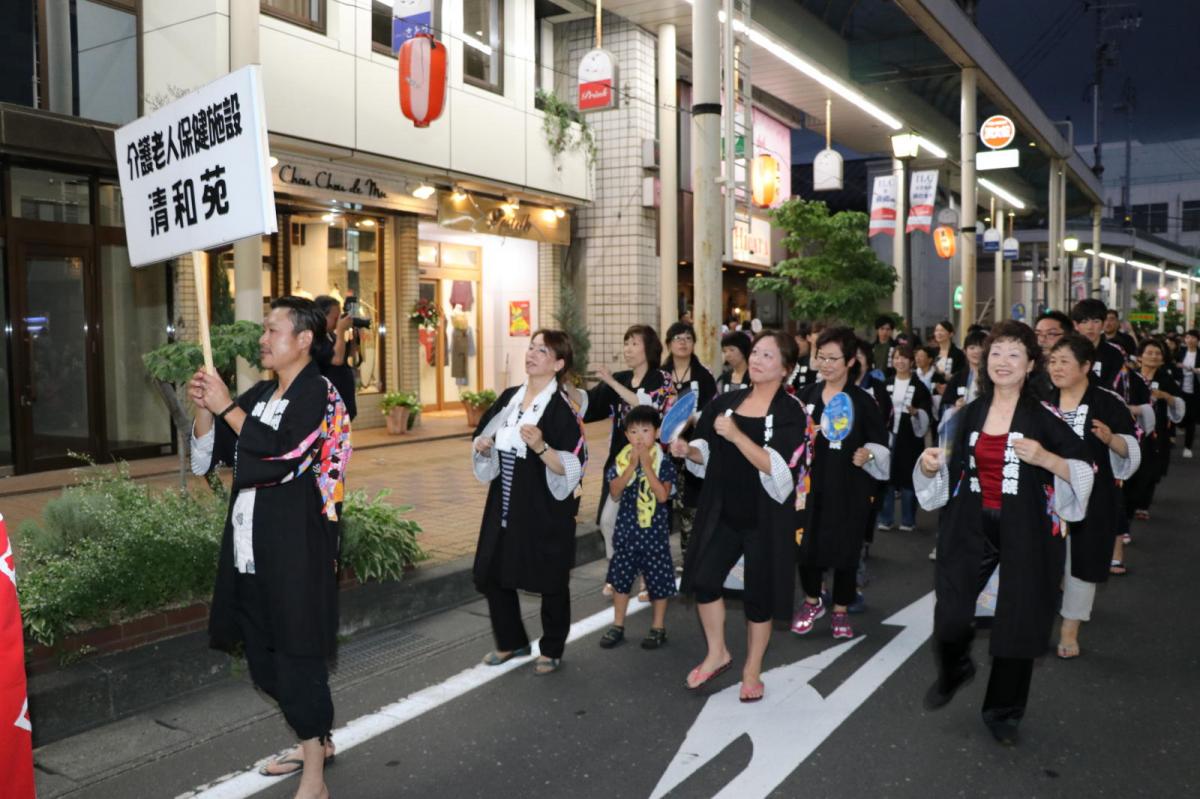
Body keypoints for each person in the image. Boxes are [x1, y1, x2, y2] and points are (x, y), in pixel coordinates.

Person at [190, 297, 351, 799]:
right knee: (263, 656)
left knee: (298, 655)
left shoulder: (322, 396)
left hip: (297, 546)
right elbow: (210, 458)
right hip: (250, 542)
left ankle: (315, 776)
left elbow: (282, 452)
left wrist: (227, 408)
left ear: (304, 339)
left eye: (273, 330)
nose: (264, 338)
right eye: (264, 329)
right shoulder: (260, 393)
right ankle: (314, 740)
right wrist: (204, 408)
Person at [915, 320, 1093, 746]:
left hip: (1028, 527)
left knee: (1021, 618)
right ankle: (955, 665)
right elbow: (944, 464)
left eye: (1014, 354)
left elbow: (1086, 470)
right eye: (996, 352)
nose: (1002, 361)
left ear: (1032, 364)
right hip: (970, 522)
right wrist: (928, 465)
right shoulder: (967, 414)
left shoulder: (1045, 417)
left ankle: (1003, 711)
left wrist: (1047, 458)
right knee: (952, 607)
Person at [673, 331, 808, 702]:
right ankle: (718, 652)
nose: (758, 360)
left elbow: (780, 470)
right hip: (724, 510)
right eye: (756, 353)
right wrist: (689, 452)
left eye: (768, 355)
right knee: (703, 579)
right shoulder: (727, 401)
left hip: (766, 517)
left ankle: (752, 670)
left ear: (786, 370)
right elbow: (707, 449)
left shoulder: (790, 412)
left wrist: (736, 435)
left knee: (758, 598)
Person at [472, 330, 587, 676]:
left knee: (550, 577)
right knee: (490, 571)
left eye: (543, 350)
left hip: (543, 507)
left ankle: (552, 646)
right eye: (531, 347)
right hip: (505, 500)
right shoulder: (510, 397)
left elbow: (573, 466)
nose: (532, 354)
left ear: (559, 363)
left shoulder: (561, 409)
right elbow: (485, 433)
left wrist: (540, 447)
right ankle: (513, 641)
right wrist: (483, 445)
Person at [791, 327, 890, 639]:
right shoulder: (805, 396)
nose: (826, 364)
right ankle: (812, 601)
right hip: (809, 488)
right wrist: (806, 437)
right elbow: (788, 443)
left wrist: (868, 455)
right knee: (805, 547)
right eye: (821, 357)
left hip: (850, 488)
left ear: (850, 361)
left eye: (833, 358)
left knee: (847, 551)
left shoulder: (862, 402)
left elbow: (880, 444)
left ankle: (841, 610)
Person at [1046, 334, 1140, 658]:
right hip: (1043, 496)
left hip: (1093, 496)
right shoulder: (1039, 399)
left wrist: (1112, 439)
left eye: (1064, 362)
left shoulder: (1106, 402)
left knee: (1081, 564)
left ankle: (1070, 629)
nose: (1056, 368)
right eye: (1052, 361)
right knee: (1038, 558)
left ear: (1086, 366)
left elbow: (1132, 448)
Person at [598, 406, 677, 650]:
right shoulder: (621, 460)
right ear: (627, 435)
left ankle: (658, 627)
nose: (640, 436)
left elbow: (663, 496)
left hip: (654, 534)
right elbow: (614, 492)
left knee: (658, 582)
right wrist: (633, 466)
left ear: (656, 432)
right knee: (621, 581)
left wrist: (648, 467)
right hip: (626, 532)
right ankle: (618, 625)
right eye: (634, 431)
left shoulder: (664, 462)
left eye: (645, 430)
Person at [584, 325, 670, 531]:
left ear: (648, 348)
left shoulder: (660, 378)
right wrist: (566, 383)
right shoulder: (621, 378)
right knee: (608, 522)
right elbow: (591, 403)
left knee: (643, 524)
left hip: (648, 463)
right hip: (619, 459)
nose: (627, 349)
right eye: (625, 344)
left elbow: (646, 406)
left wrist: (611, 383)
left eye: (634, 344)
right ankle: (616, 560)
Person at [663, 321, 718, 556]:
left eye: (688, 338)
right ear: (668, 344)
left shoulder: (703, 375)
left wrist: (692, 419)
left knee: (691, 507)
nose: (683, 342)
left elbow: (710, 411)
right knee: (661, 504)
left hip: (692, 450)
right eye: (677, 338)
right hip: (664, 450)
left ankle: (691, 560)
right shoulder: (660, 375)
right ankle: (658, 564)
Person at [1123, 338, 1184, 524]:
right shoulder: (1129, 378)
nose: (1153, 356)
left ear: (1163, 359)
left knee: (1152, 470)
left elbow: (1179, 404)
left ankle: (1143, 504)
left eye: (1157, 353)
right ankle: (1128, 508)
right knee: (1133, 469)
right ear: (1140, 357)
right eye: (1149, 353)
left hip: (1158, 431)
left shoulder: (1166, 379)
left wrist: (1165, 396)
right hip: (1131, 430)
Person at [877, 344, 933, 532]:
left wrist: (917, 412)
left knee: (909, 479)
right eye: (896, 358)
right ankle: (886, 518)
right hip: (888, 437)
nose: (899, 361)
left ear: (911, 362)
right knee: (886, 478)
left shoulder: (919, 386)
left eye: (904, 358)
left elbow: (927, 412)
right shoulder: (886, 383)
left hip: (909, 439)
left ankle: (908, 520)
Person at [1071, 299, 1128, 399]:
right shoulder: (1067, 352)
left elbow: (1119, 388)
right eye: (1084, 321)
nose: (1090, 327)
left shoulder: (1115, 353)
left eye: (1096, 321)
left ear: (1103, 324)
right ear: (1076, 325)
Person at [313, 295, 358, 420]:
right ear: (322, 316)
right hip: (329, 405)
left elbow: (347, 356)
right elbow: (336, 360)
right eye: (335, 317)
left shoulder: (331, 335)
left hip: (342, 403)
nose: (339, 320)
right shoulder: (315, 338)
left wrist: (353, 337)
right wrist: (341, 330)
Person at [1031, 311, 1073, 400]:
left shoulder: (1077, 370)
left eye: (1050, 334)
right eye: (1038, 334)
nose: (1042, 340)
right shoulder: (1030, 368)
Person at [1177, 329, 1200, 457]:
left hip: (1195, 392)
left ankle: (1188, 447)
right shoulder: (1181, 352)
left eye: (1193, 337)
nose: (1190, 340)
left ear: (1197, 340)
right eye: (1187, 337)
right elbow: (1174, 366)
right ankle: (1181, 425)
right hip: (1180, 390)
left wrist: (1192, 369)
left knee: (1191, 418)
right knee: (1180, 416)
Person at [788, 322, 819, 393]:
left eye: (800, 340)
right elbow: (791, 384)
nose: (797, 345)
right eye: (817, 333)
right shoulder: (800, 362)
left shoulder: (826, 361)